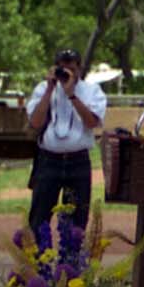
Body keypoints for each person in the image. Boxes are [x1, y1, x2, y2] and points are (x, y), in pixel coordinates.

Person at [25, 47, 106, 233]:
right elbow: (35, 122)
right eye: (61, 67)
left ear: (79, 67)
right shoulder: (43, 89)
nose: (66, 71)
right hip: (48, 161)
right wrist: (49, 90)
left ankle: (70, 261)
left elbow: (92, 122)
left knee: (75, 222)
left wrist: (71, 94)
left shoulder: (92, 91)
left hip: (78, 162)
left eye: (71, 67)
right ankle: (36, 260)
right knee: (38, 217)